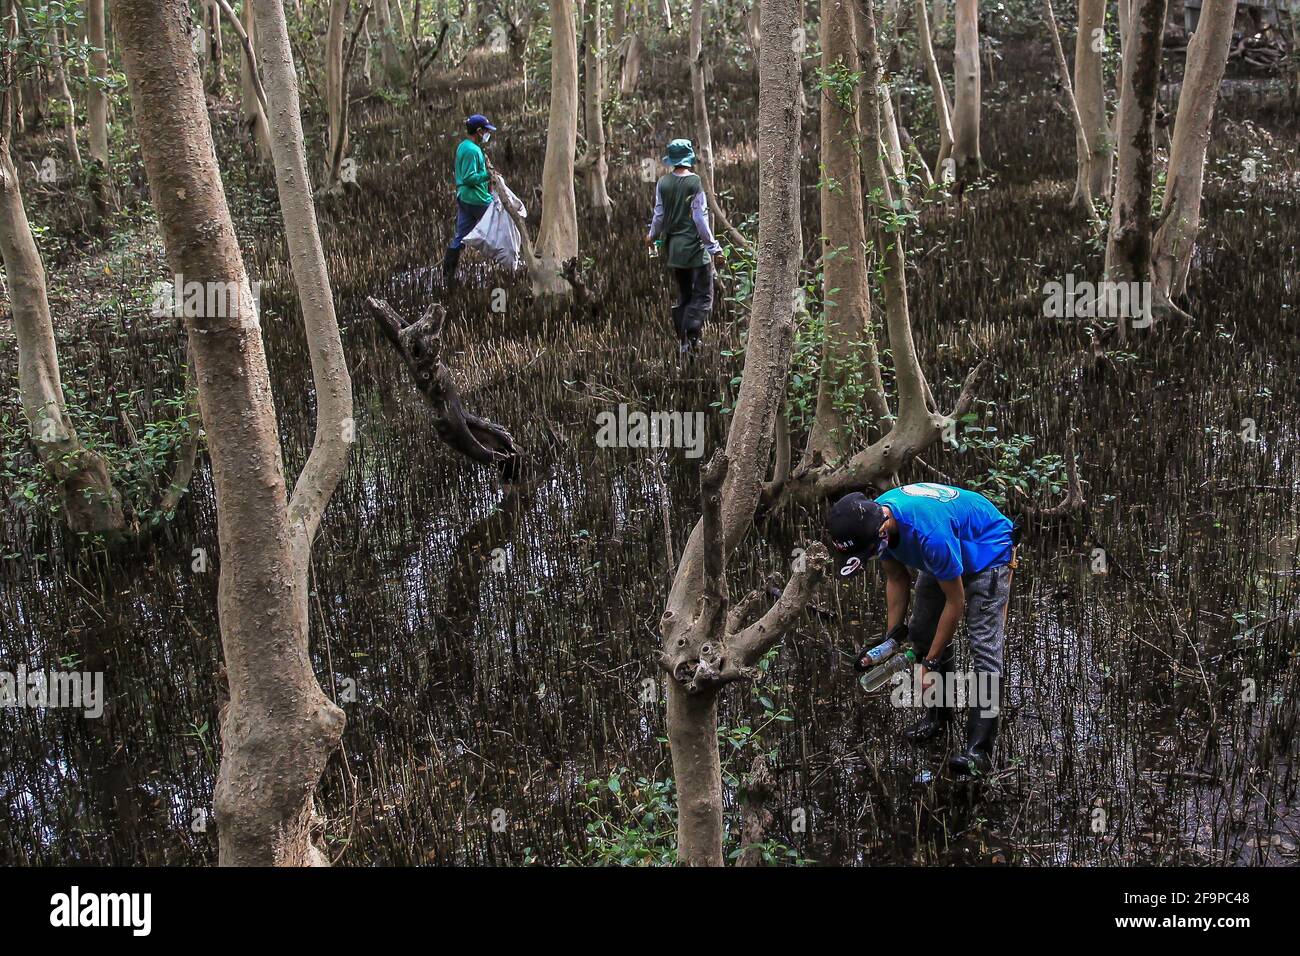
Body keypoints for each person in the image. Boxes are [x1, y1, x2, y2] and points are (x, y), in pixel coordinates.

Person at [825, 483, 1019, 776]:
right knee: (922, 631)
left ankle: (978, 752)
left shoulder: (930, 535)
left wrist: (928, 663)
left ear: (882, 530)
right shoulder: (876, 518)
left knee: (985, 650)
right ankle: (938, 718)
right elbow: (896, 579)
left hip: (986, 552)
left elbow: (955, 603)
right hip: (947, 551)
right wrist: (890, 640)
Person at [645, 139, 724, 353]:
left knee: (685, 296)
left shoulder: (663, 183)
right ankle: (689, 330)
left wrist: (651, 236)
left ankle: (687, 344)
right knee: (704, 297)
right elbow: (700, 220)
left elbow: (659, 215)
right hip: (695, 250)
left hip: (674, 251)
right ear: (688, 159)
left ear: (671, 161)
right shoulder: (695, 183)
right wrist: (715, 248)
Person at [442, 114, 497, 289]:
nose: (487, 134)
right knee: (499, 221)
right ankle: (508, 265)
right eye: (486, 131)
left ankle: (447, 276)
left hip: (463, 198)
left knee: (460, 237)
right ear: (479, 131)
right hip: (476, 199)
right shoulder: (473, 151)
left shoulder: (463, 146)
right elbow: (469, 177)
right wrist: (488, 175)